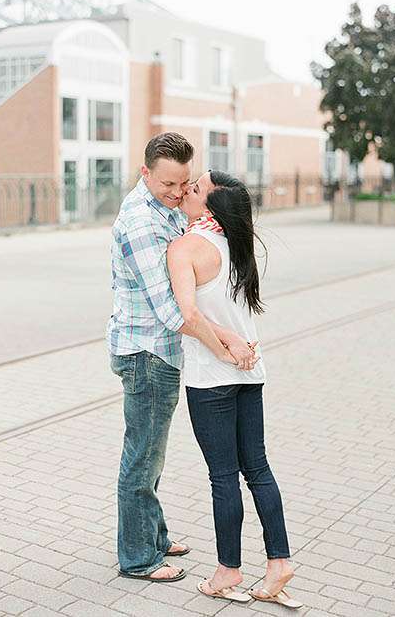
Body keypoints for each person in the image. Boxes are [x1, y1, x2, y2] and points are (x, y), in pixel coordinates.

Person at [108, 133, 257, 583]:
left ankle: (152, 535)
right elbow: (173, 311)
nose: (177, 193)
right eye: (168, 184)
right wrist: (226, 343)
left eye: (184, 184)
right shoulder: (143, 224)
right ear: (145, 173)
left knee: (152, 454)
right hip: (147, 354)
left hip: (160, 353)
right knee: (142, 455)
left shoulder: (163, 211)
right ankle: (138, 557)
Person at [167, 170, 302, 608]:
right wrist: (236, 345)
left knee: (223, 476)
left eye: (195, 188)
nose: (187, 190)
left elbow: (187, 315)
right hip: (251, 374)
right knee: (258, 469)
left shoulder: (184, 248)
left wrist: (222, 349)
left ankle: (228, 570)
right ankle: (279, 562)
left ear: (211, 206)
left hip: (212, 379)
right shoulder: (237, 248)